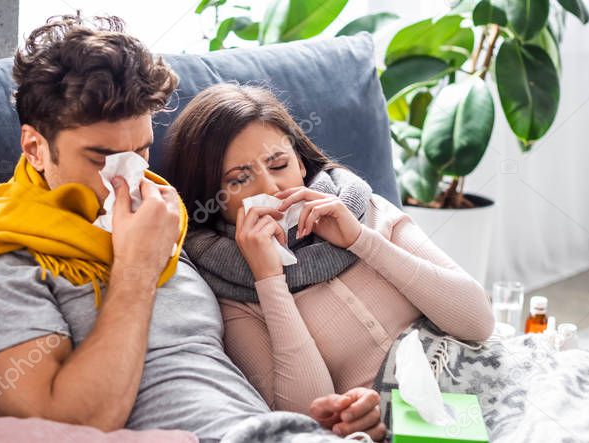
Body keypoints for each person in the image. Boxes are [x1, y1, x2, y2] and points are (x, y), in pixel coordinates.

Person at [0, 14, 387, 441]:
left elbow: (224, 371)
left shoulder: (167, 214)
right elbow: (65, 427)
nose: (129, 179)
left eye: (143, 151)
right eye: (102, 158)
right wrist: (134, 268)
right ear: (34, 148)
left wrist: (322, 418)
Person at [164, 83, 496, 420]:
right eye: (239, 179)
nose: (271, 188)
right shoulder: (228, 290)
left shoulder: (363, 207)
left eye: (279, 165)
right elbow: (306, 417)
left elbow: (478, 323)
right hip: (401, 424)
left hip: (481, 376)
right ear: (212, 195)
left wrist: (361, 240)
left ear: (301, 164)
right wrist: (268, 280)